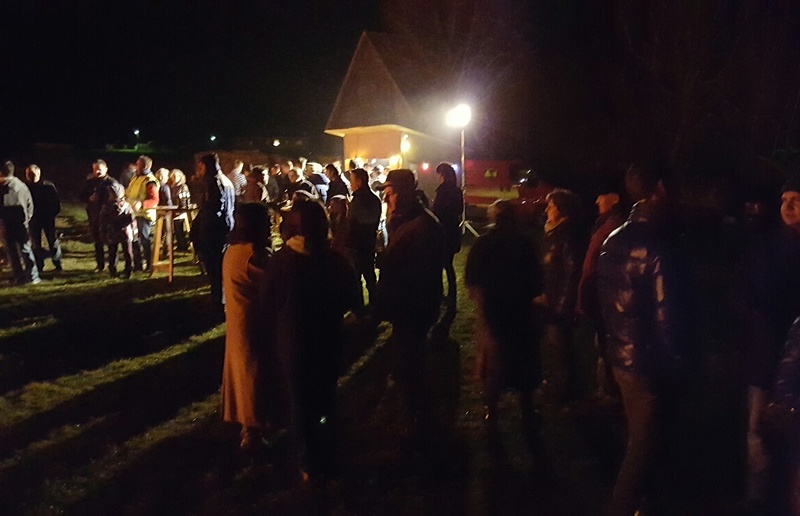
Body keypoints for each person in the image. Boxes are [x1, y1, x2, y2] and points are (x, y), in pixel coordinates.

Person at [597, 163, 680, 516]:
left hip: (621, 354)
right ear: (660, 188)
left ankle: (647, 504)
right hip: (644, 361)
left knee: (640, 434)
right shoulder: (658, 244)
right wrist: (675, 361)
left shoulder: (613, 238)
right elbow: (665, 314)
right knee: (643, 444)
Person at [260, 198, 361, 480]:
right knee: (325, 399)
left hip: (294, 345)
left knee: (301, 403)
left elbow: (266, 301)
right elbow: (353, 298)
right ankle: (326, 452)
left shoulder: (281, 261)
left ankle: (308, 463)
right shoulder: (334, 260)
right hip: (328, 342)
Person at [466, 200, 543, 452]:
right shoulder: (525, 244)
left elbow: (472, 282)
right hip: (520, 314)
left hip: (495, 313)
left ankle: (493, 412)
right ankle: (525, 411)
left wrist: (482, 305)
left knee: (494, 366)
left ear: (494, 217)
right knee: (522, 364)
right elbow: (537, 282)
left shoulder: (484, 244)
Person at [375, 169, 444, 446]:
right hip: (405, 307)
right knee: (406, 362)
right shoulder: (405, 221)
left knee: (410, 364)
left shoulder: (422, 226)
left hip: (413, 309)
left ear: (404, 192)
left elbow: (420, 275)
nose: (385, 198)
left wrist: (390, 263)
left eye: (390, 192)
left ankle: (414, 424)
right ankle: (412, 416)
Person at [743, 172, 800, 505]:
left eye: (796, 200)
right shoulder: (769, 248)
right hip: (768, 360)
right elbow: (758, 305)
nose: (787, 206)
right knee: (759, 443)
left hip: (787, 365)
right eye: (784, 200)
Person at [221, 202, 282, 450]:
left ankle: (251, 428)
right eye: (266, 222)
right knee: (253, 377)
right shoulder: (254, 255)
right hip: (253, 323)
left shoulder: (232, 250)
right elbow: (276, 282)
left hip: (239, 321)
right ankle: (252, 433)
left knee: (245, 375)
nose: (270, 227)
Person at [537, 188, 585, 405]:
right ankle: (558, 386)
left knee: (560, 348)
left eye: (551, 206)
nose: (547, 210)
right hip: (550, 300)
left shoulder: (567, 236)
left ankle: (565, 394)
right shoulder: (553, 232)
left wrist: (562, 307)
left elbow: (572, 273)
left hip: (558, 304)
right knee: (554, 347)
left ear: (562, 210)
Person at [577, 186, 626, 399]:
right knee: (602, 346)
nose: (597, 200)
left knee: (608, 346)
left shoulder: (615, 228)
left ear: (614, 199)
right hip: (599, 297)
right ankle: (606, 390)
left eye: (602, 196)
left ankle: (611, 395)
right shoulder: (605, 223)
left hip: (605, 300)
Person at [190, 153, 235, 312]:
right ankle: (220, 298)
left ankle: (217, 301)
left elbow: (214, 207)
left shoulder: (214, 181)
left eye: (201, 167)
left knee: (214, 265)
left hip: (214, 228)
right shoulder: (225, 180)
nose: (199, 170)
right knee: (219, 264)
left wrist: (201, 226)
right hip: (225, 225)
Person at [431, 162, 464, 332]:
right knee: (449, 266)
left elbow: (437, 211)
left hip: (442, 232)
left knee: (438, 265)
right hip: (452, 232)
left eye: (438, 174)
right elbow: (459, 210)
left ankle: (439, 295)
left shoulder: (442, 191)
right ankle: (452, 296)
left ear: (442, 175)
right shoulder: (457, 190)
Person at [0, 161, 40, 285]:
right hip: (22, 224)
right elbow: (30, 205)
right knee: (25, 250)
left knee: (13, 252)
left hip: (9, 225)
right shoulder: (22, 185)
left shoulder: (4, 188)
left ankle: (20, 277)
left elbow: (4, 209)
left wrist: (2, 225)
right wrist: (27, 219)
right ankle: (32, 276)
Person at [346, 167, 382, 306]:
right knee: (369, 275)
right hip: (369, 242)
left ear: (359, 182)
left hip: (357, 244)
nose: (350, 184)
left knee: (357, 277)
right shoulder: (374, 198)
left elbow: (354, 223)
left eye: (352, 181)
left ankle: (360, 308)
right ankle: (375, 304)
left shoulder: (359, 200)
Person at [79, 159, 118, 273]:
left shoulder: (111, 183)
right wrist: (89, 198)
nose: (97, 172)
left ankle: (112, 266)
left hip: (108, 217)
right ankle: (100, 265)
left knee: (111, 242)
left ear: (106, 169)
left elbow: (116, 199)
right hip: (94, 216)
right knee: (97, 242)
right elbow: (81, 195)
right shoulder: (90, 182)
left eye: (99, 169)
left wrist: (101, 199)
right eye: (95, 169)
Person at [25, 164, 63, 272]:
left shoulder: (48, 186)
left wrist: (53, 213)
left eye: (32, 174)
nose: (30, 176)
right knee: (35, 243)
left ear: (39, 173)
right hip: (34, 218)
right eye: (28, 174)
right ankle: (39, 265)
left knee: (53, 241)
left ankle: (57, 264)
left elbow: (56, 202)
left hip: (47, 217)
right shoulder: (26, 187)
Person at [126, 155, 159, 272]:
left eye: (138, 164)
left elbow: (155, 199)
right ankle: (138, 265)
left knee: (144, 240)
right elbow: (129, 193)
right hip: (133, 213)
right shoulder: (135, 178)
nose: (135, 166)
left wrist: (142, 204)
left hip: (144, 215)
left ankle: (149, 264)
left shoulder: (150, 180)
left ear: (144, 166)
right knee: (134, 240)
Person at [99, 182, 137, 279]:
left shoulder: (108, 206)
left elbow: (103, 220)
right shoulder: (125, 205)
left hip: (115, 232)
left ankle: (117, 271)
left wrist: (103, 231)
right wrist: (134, 232)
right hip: (124, 232)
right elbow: (132, 220)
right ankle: (125, 270)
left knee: (116, 252)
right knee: (123, 252)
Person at [168, 169, 191, 252]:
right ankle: (179, 244)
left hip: (180, 209)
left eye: (175, 176)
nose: (173, 178)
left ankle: (183, 245)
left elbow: (185, 199)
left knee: (179, 227)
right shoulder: (171, 187)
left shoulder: (183, 186)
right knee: (175, 228)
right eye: (172, 176)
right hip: (172, 209)